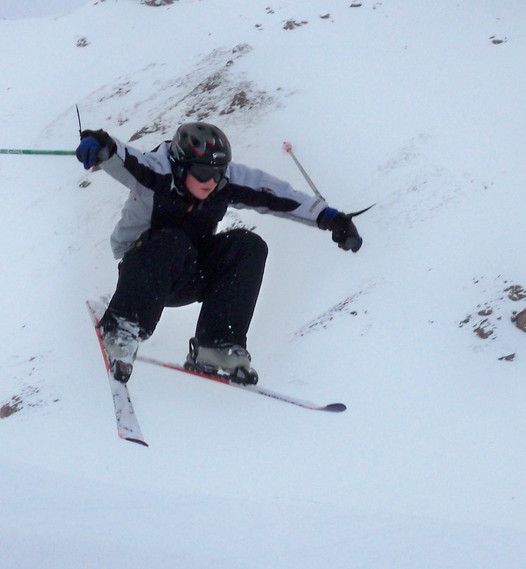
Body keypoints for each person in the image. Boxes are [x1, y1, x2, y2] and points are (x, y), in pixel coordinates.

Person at [77, 121, 362, 384]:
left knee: (248, 246)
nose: (212, 181)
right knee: (172, 240)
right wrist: (100, 144)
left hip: (191, 272)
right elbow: (122, 156)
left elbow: (276, 194)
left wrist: (329, 218)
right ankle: (123, 328)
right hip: (143, 271)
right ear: (180, 164)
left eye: (219, 172)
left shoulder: (223, 182)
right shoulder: (155, 172)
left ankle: (217, 344)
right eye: (203, 172)